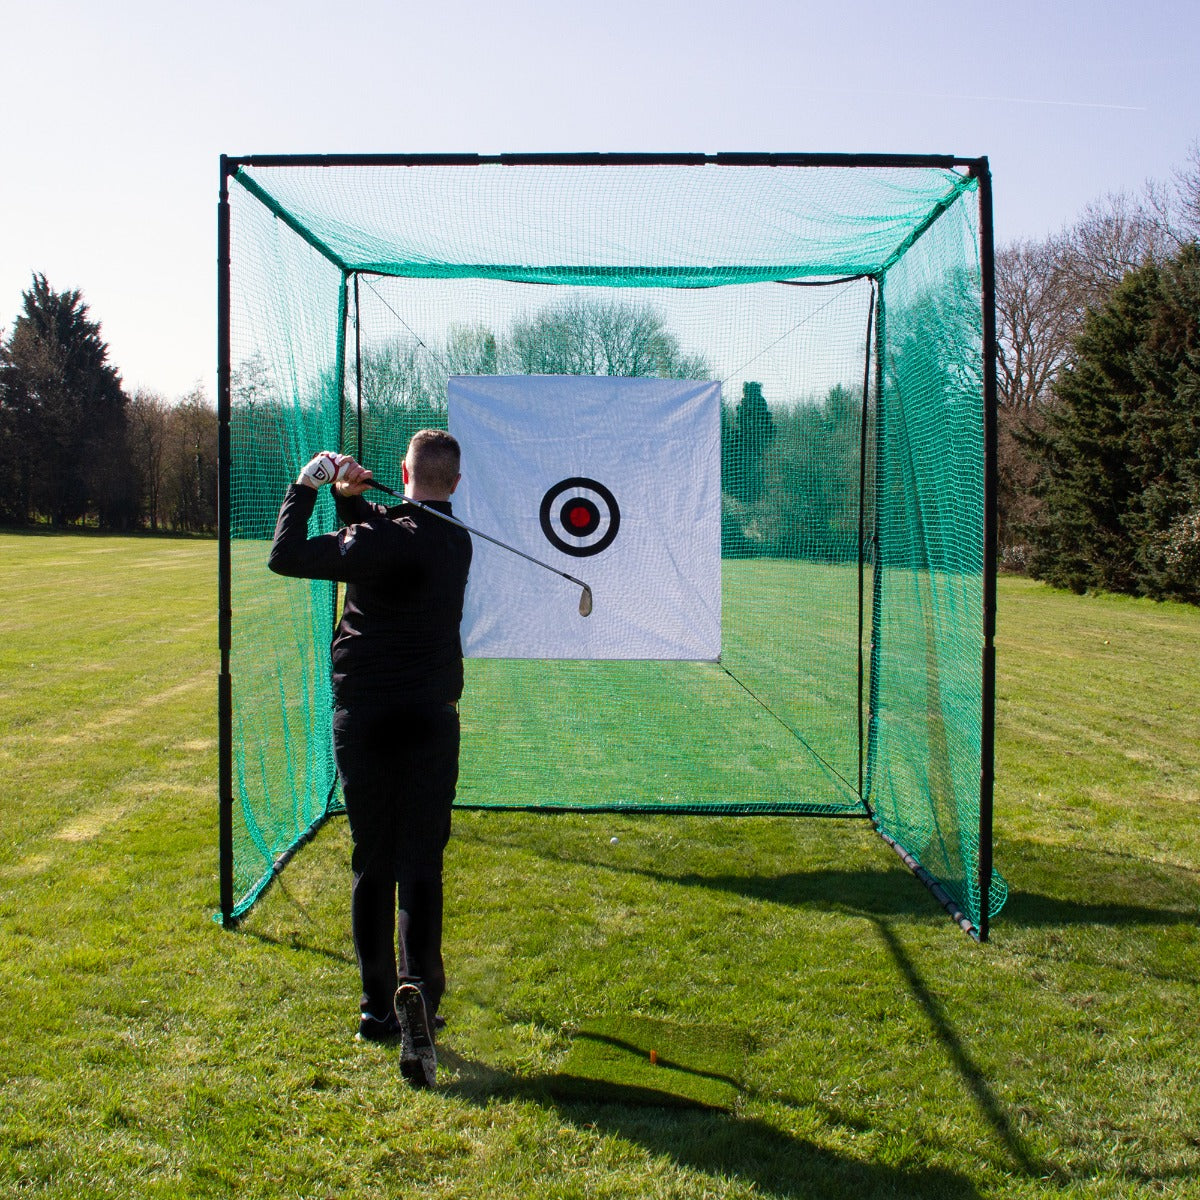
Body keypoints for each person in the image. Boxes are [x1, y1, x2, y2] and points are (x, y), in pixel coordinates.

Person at [267, 430, 472, 1089]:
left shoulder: (380, 540)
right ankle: (419, 995)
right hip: (429, 721)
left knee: (372, 862)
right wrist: (355, 503)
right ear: (455, 483)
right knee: (420, 865)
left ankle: (377, 1010)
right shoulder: (454, 539)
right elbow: (389, 547)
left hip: (366, 719)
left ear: (404, 471)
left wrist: (309, 486)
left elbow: (288, 556)